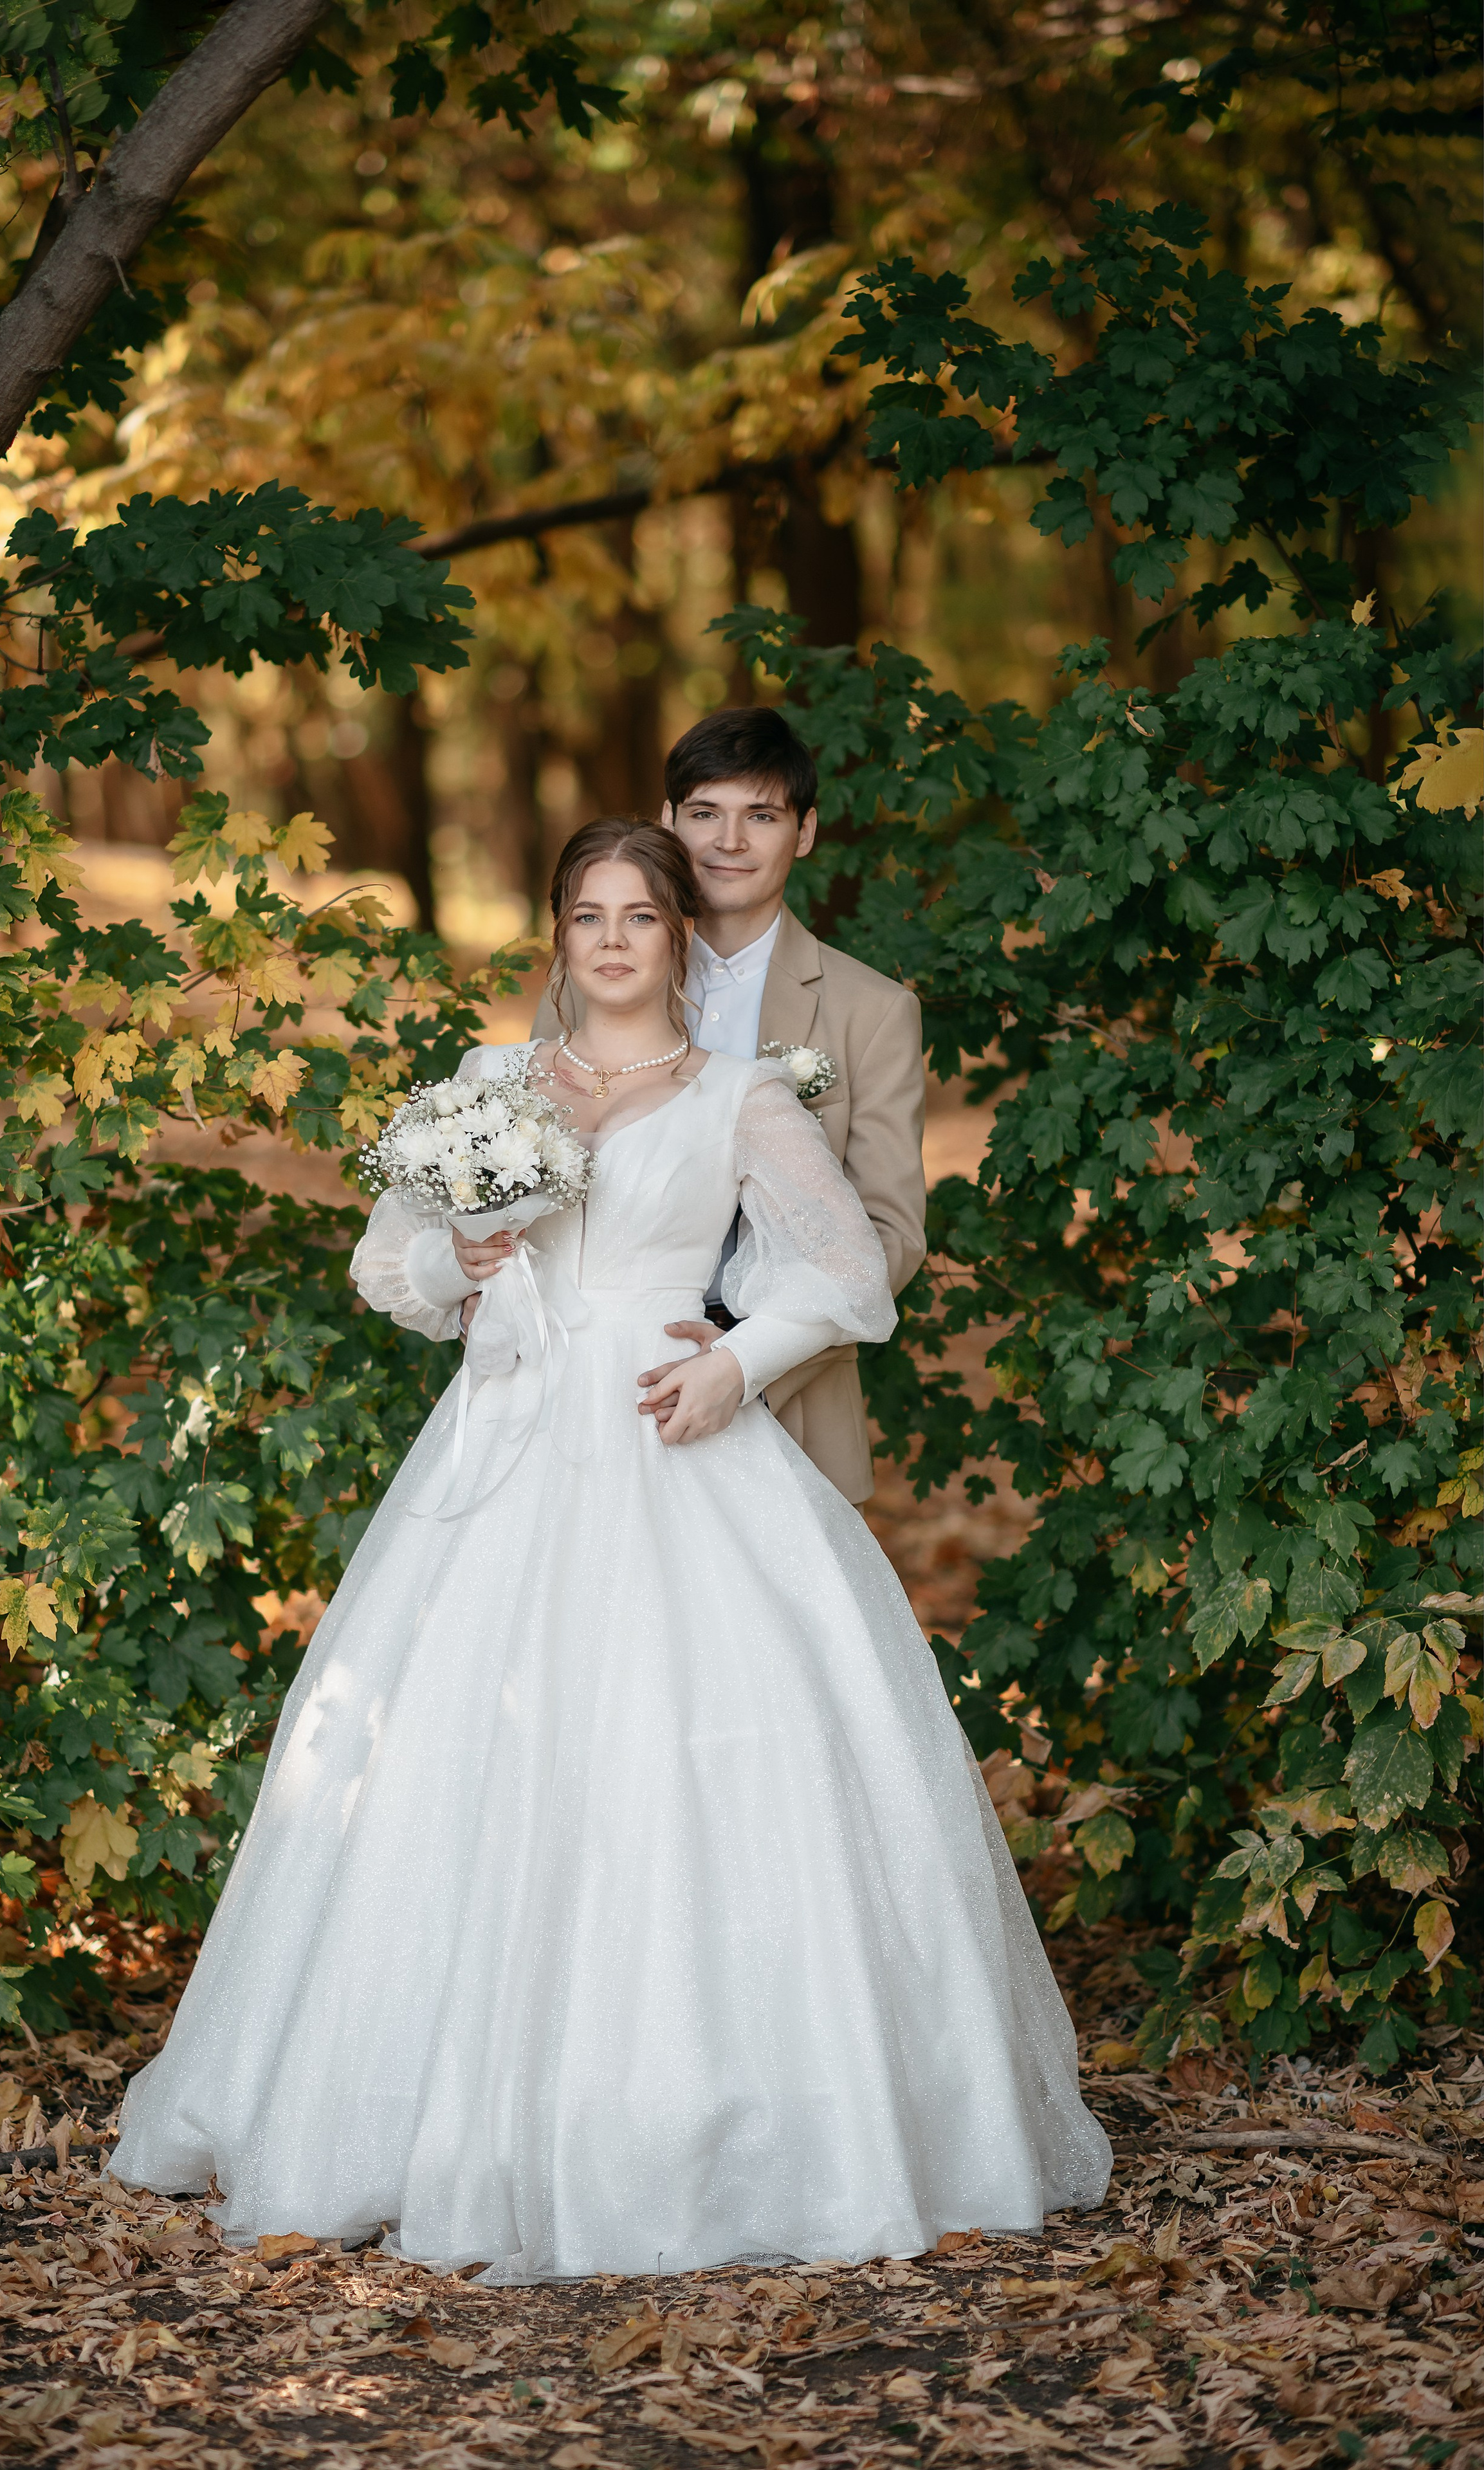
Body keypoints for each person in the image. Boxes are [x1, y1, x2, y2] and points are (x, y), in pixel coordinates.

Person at [107, 818, 1110, 2278]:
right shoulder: (484, 1088)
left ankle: (720, 2117)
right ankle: (419, 2112)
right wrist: (452, 1263)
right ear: (558, 936)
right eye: (589, 912)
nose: (617, 936)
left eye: (644, 912)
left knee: (686, 1748)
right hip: (503, 1438)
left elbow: (839, 1267)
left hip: (668, 1429)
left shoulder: (737, 1100)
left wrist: (737, 1358)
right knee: (456, 1750)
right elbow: (379, 1260)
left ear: (681, 937)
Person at [532, 707, 926, 1503]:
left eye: (762, 816)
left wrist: (744, 1359)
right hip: (595, 1390)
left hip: (788, 1392)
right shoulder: (586, 982)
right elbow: (538, 1175)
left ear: (805, 832)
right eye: (705, 813)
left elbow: (889, 1235)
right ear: (668, 821)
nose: (729, 842)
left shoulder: (870, 1011)